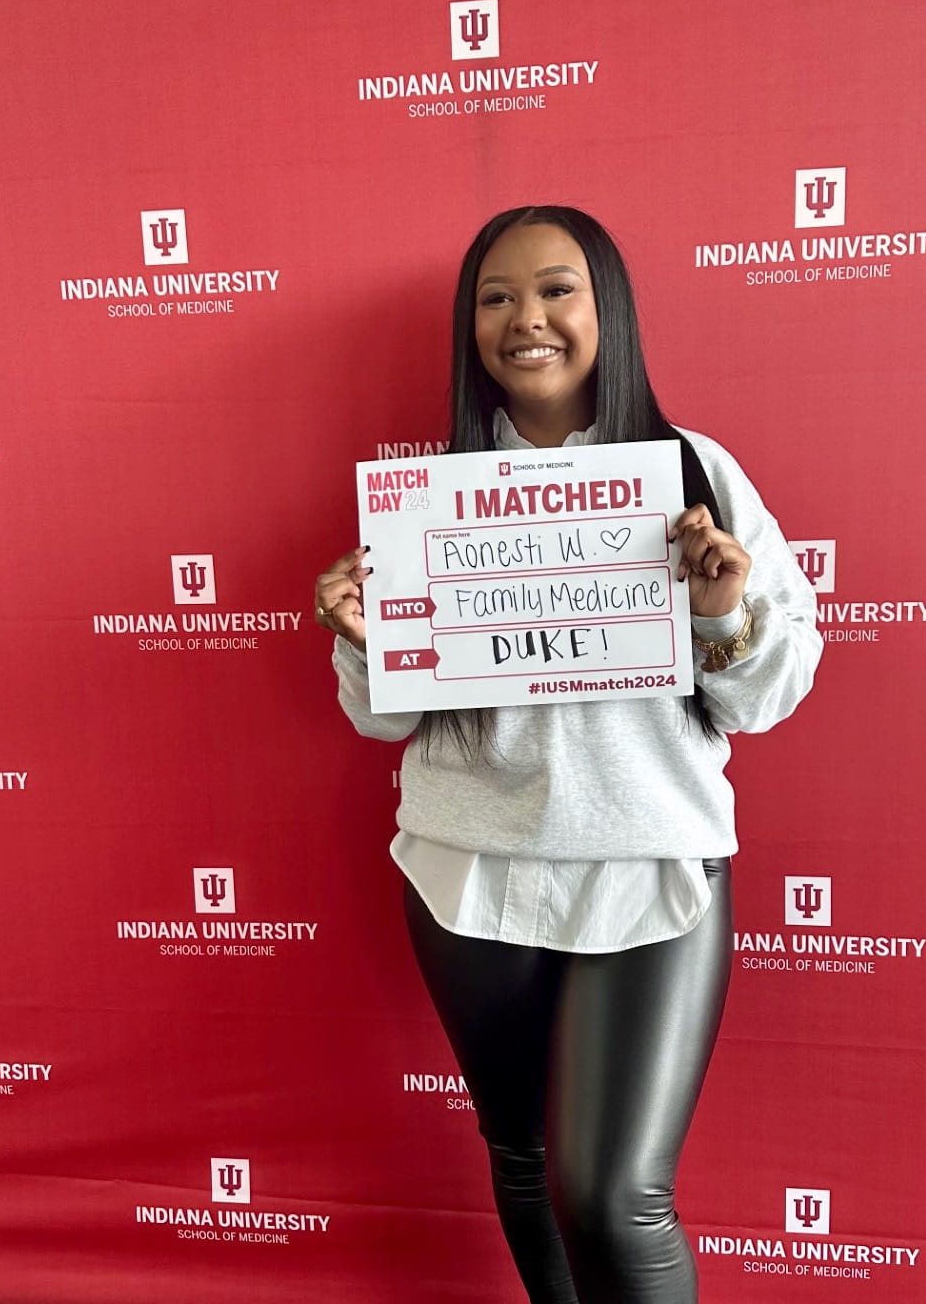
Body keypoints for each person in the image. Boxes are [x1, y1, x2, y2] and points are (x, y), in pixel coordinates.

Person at [314, 206, 821, 1303]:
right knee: (523, 1160)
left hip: (649, 866)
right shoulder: (427, 500)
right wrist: (366, 644)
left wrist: (722, 613)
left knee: (613, 1193)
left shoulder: (695, 471)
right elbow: (386, 720)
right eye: (494, 298)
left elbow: (770, 695)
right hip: (466, 868)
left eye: (555, 290)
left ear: (607, 312)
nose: (524, 319)